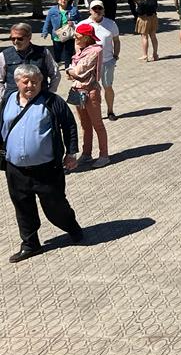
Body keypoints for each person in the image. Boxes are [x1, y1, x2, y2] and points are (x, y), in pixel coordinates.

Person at [1, 64, 82, 263]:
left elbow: (69, 125)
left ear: (41, 82)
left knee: (55, 206)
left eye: (35, 81)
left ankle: (71, 227)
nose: (30, 85)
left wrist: (71, 153)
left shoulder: (52, 101)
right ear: (17, 82)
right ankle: (30, 244)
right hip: (15, 169)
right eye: (25, 81)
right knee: (22, 206)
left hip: (47, 169)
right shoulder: (9, 99)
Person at [66, 23, 110, 167]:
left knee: (97, 124)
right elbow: (75, 70)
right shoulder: (81, 48)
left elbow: (78, 71)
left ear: (86, 37)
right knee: (85, 125)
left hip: (90, 92)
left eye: (77, 35)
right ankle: (86, 154)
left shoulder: (94, 51)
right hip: (78, 91)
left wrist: (69, 71)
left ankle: (104, 156)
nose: (75, 37)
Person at [0, 23, 61, 104]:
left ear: (29, 37)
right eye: (12, 38)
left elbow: (55, 74)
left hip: (41, 100)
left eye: (20, 38)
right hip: (14, 101)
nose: (16, 41)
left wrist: (49, 93)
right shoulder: (4, 55)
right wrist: (5, 97)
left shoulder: (43, 52)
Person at [84, 0, 120, 121]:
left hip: (107, 61)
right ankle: (93, 113)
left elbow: (116, 40)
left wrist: (115, 56)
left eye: (100, 8)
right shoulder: (84, 24)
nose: (97, 11)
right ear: (90, 11)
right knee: (90, 89)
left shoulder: (111, 24)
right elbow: (78, 43)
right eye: (95, 9)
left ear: (103, 10)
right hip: (90, 63)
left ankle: (110, 111)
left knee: (107, 86)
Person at [42, 0, 79, 68]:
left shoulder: (73, 10)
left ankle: (67, 67)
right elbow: (47, 21)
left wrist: (74, 23)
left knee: (69, 51)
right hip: (57, 35)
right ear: (58, 1)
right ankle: (58, 62)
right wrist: (45, 31)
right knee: (57, 51)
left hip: (69, 34)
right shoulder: (52, 10)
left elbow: (79, 20)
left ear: (68, 0)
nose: (63, 1)